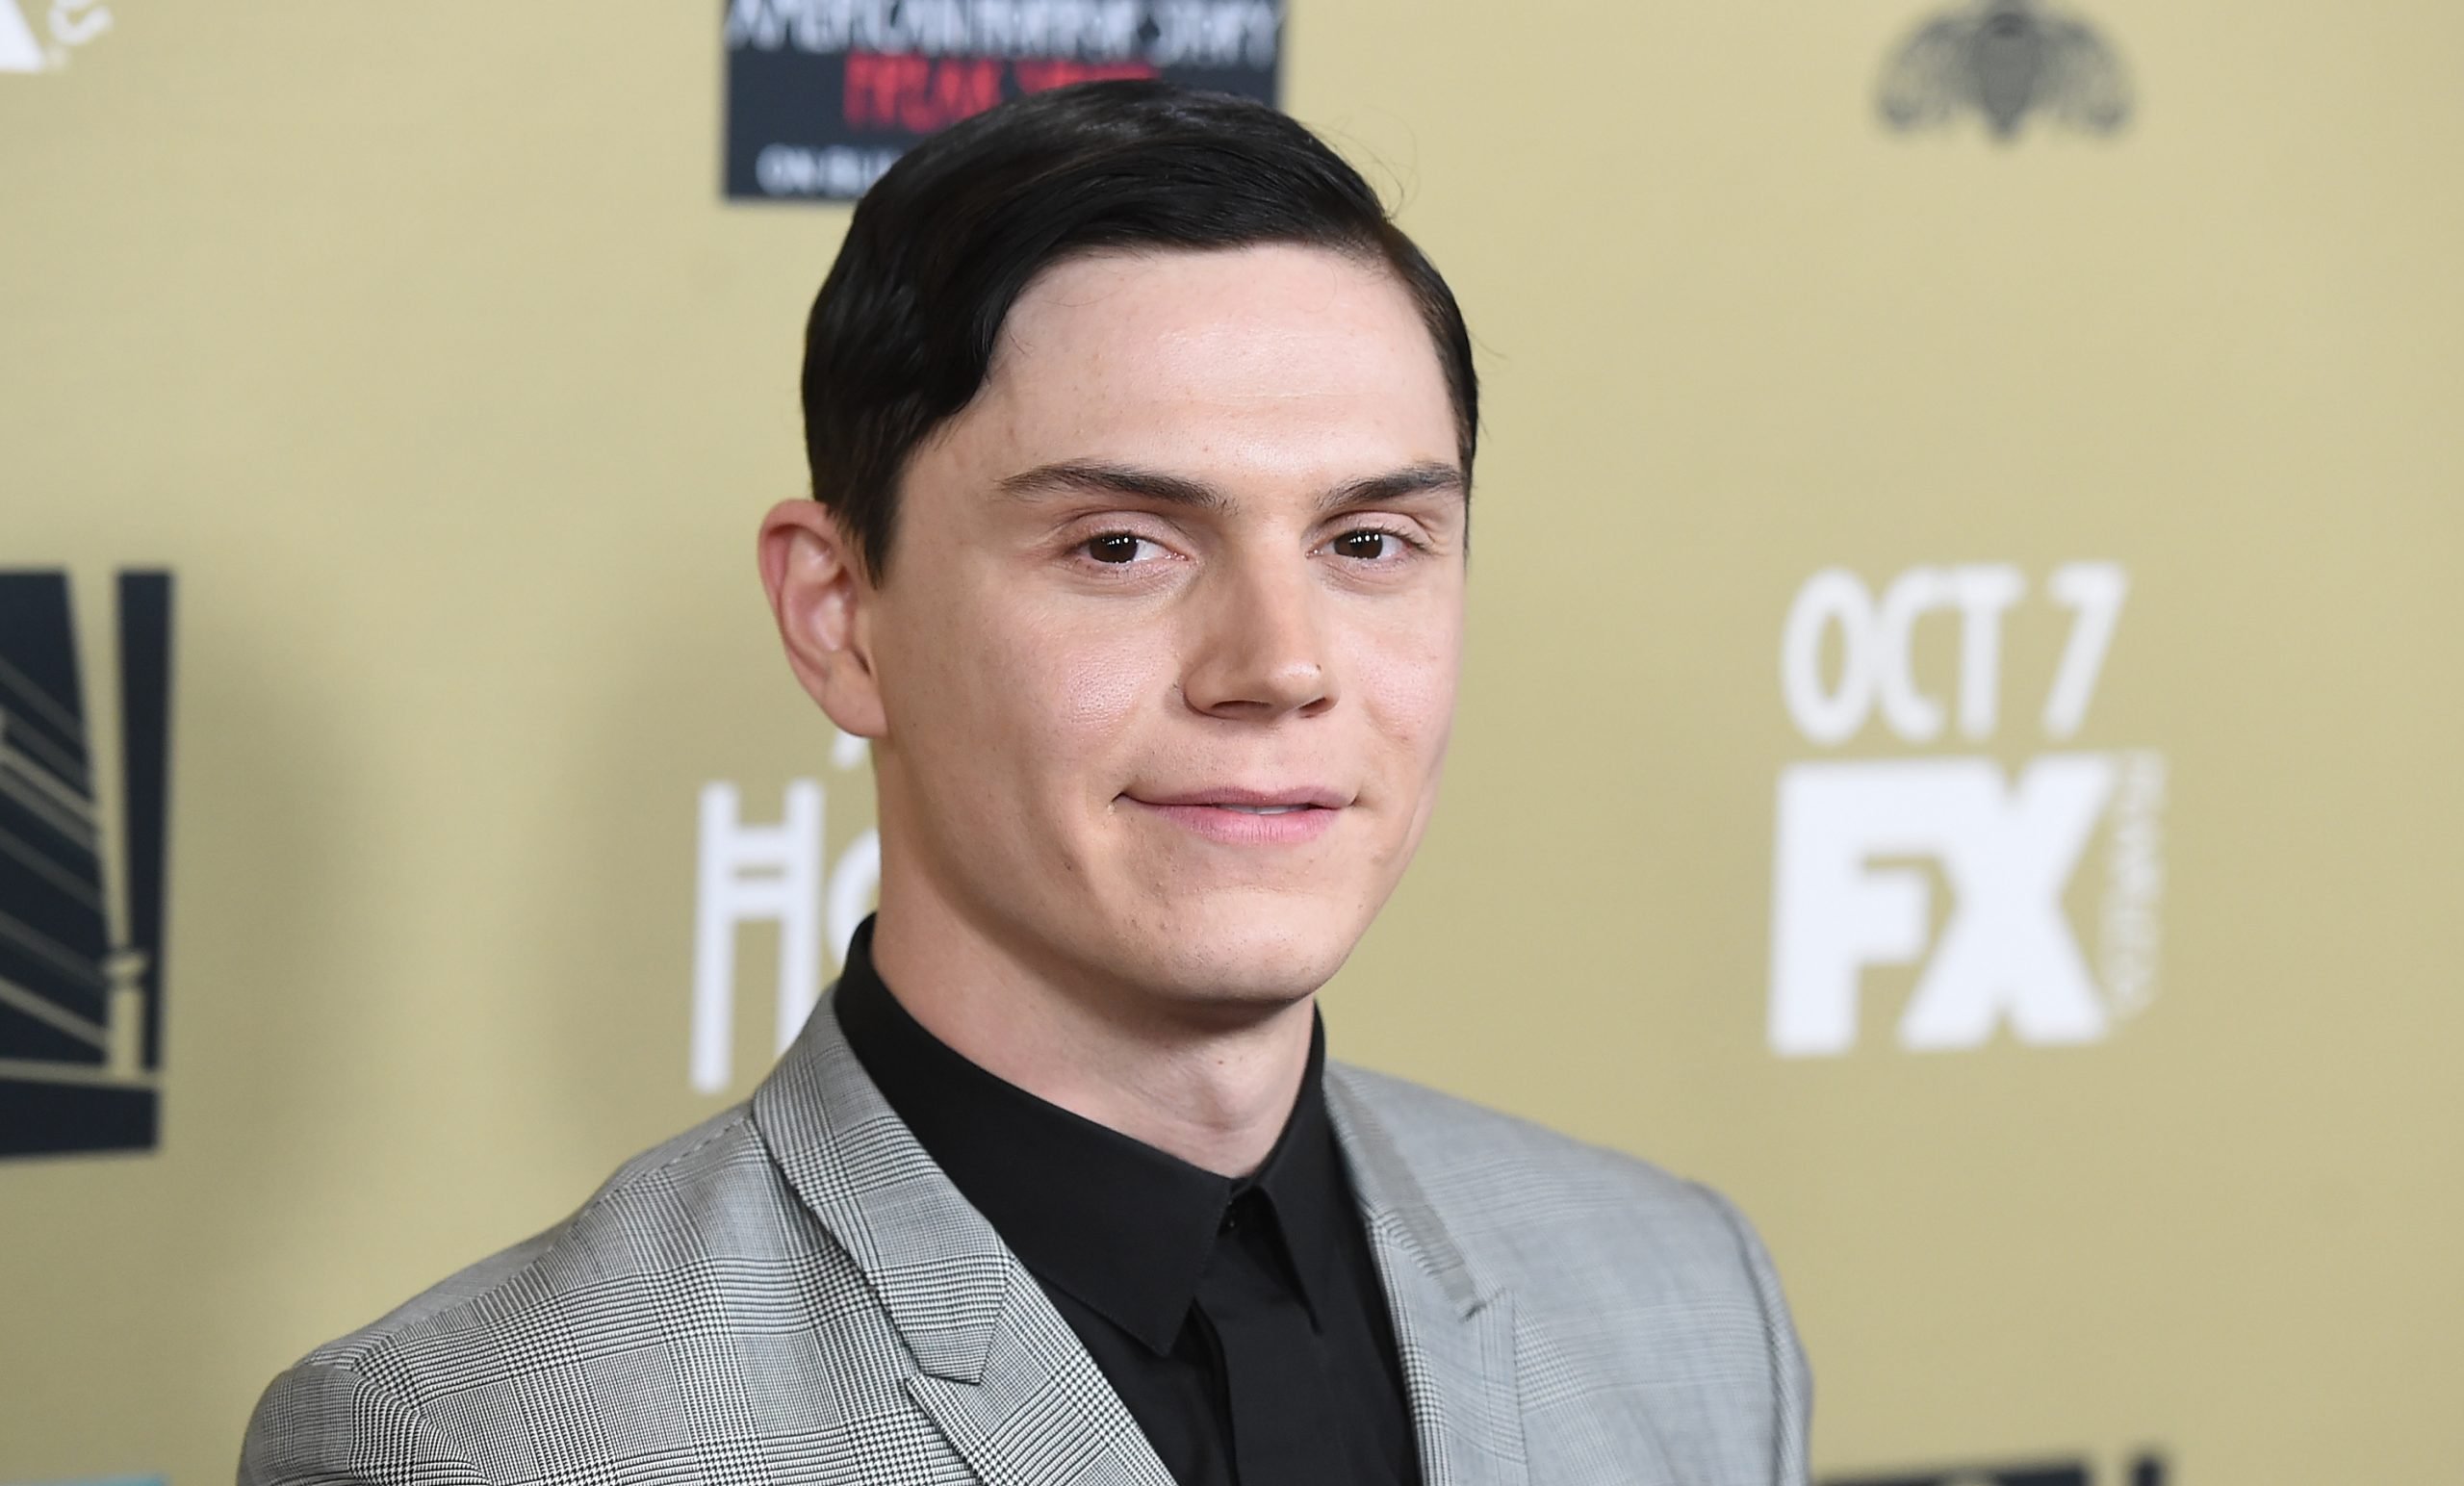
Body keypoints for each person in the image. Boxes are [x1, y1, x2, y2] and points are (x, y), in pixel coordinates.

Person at [240, 81, 1811, 1486]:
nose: (1278, 663)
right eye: (1121, 545)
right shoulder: (486, 1444)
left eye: (1367, 544)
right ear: (840, 617)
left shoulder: (1680, 1299)